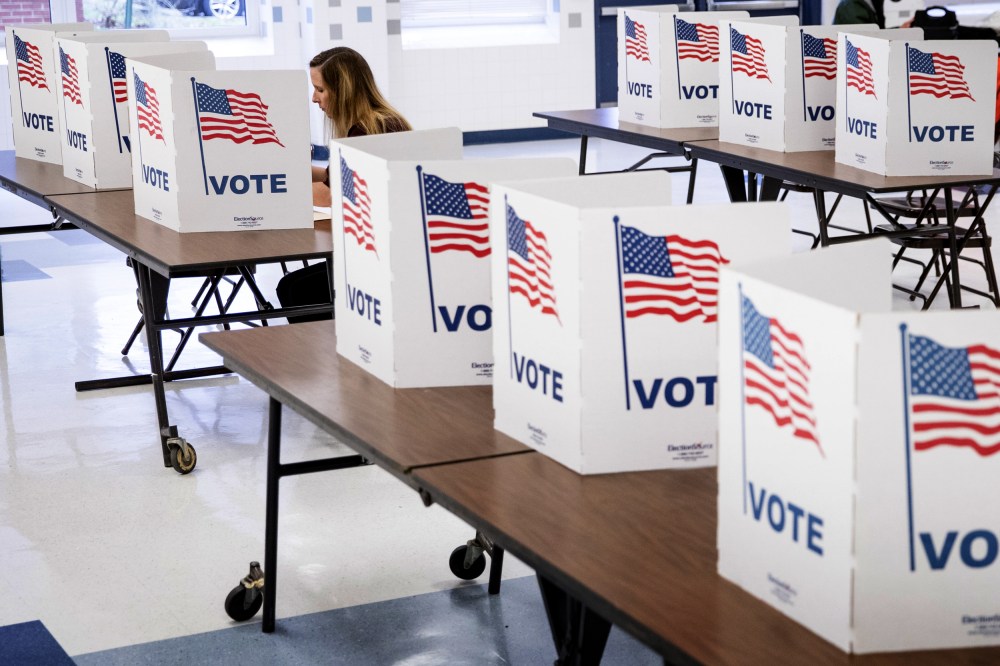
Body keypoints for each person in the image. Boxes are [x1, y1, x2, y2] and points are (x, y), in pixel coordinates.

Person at [276, 47, 411, 322]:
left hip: (387, 259)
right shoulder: (379, 122)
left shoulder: (366, 133)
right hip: (391, 249)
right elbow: (330, 177)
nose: (314, 99)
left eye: (320, 90)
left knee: (294, 289)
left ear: (343, 91)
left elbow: (332, 195)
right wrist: (285, 172)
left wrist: (272, 189)